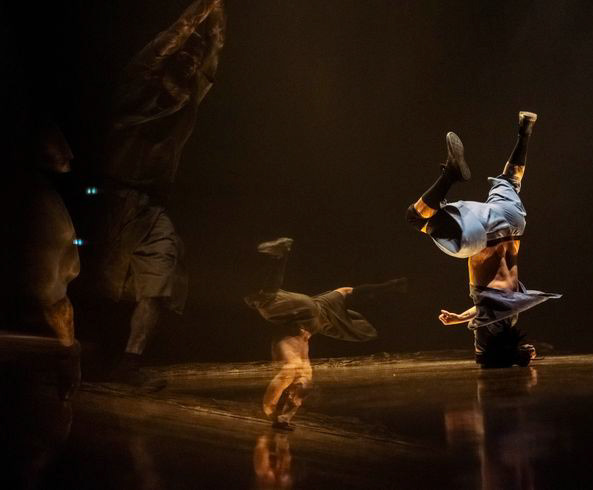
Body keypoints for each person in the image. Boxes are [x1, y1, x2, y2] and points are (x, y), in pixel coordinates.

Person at [94, 0, 226, 386]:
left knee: (160, 279)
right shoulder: (137, 87)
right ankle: (89, 354)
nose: (191, 61)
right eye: (185, 54)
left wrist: (219, 12)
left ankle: (130, 363)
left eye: (195, 58)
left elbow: (215, 50)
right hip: (111, 199)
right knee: (99, 283)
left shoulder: (188, 102)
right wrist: (201, 10)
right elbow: (171, 38)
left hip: (152, 208)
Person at [405, 112, 560, 368]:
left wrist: (459, 318)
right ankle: (449, 175)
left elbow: (487, 311)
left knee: (510, 179)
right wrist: (492, 354)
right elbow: (486, 319)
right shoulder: (494, 320)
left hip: (511, 223)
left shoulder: (511, 310)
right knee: (416, 218)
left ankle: (525, 131)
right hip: (482, 236)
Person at [244, 237, 406, 430]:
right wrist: (270, 411)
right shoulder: (306, 324)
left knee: (303, 380)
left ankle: (283, 419)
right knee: (296, 373)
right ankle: (280, 255)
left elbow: (348, 291)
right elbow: (349, 291)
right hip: (305, 314)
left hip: (309, 315)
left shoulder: (324, 309)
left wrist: (388, 287)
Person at [1, 120, 82, 400]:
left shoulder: (32, 198)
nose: (68, 152)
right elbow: (49, 292)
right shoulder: (38, 204)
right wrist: (68, 353)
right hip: (28, 353)